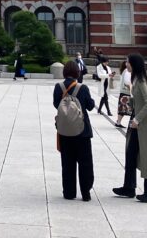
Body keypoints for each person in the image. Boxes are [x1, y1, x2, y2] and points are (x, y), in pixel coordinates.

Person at [113, 53, 147, 203]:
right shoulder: (137, 80)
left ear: (134, 64)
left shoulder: (141, 81)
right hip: (137, 124)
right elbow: (141, 101)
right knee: (130, 154)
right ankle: (129, 187)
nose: (125, 64)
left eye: (127, 62)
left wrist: (137, 119)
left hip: (145, 125)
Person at [53, 60, 95, 201]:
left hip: (64, 131)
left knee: (67, 163)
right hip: (82, 131)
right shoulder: (82, 88)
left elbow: (56, 105)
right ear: (77, 72)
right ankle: (86, 192)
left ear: (65, 72)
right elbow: (89, 106)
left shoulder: (58, 87)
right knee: (85, 163)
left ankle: (69, 193)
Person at [114, 59, 133, 128]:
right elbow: (127, 83)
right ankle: (130, 124)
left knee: (122, 109)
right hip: (126, 93)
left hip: (123, 92)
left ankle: (118, 122)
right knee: (128, 109)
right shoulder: (127, 72)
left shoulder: (123, 71)